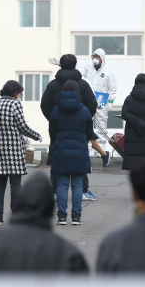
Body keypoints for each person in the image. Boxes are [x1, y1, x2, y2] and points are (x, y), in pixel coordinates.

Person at [41, 54, 100, 201]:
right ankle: (83, 190)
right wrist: (84, 119)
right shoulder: (83, 84)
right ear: (75, 66)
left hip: (59, 129)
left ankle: (54, 191)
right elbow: (93, 104)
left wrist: (54, 120)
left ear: (60, 65)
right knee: (79, 157)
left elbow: (45, 105)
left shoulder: (53, 85)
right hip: (79, 129)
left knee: (56, 157)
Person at [0, 80, 42, 225]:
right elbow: (23, 127)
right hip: (13, 151)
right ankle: (16, 215)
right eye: (20, 93)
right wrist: (37, 135)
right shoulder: (15, 104)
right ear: (14, 92)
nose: (20, 96)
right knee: (15, 184)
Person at [49, 80, 94, 225]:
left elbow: (52, 132)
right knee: (77, 186)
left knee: (61, 185)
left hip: (61, 150)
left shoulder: (56, 110)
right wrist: (81, 141)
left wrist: (59, 140)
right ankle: (76, 217)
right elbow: (89, 133)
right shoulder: (85, 110)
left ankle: (62, 217)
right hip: (79, 151)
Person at [82, 48, 117, 158]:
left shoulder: (108, 71)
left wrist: (110, 102)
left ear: (102, 58)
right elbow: (77, 74)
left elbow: (112, 89)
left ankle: (99, 151)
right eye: (94, 57)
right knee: (86, 126)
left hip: (102, 104)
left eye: (98, 57)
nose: (95, 59)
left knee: (101, 127)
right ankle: (87, 150)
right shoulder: (87, 68)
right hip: (88, 102)